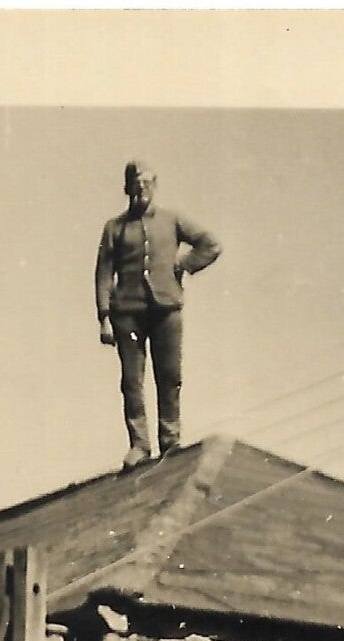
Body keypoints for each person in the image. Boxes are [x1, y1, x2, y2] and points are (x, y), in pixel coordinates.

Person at [94, 160, 221, 468]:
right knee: (132, 381)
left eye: (147, 184)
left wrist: (183, 265)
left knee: (169, 375)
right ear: (127, 189)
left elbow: (211, 244)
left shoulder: (172, 219)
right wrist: (104, 316)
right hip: (128, 312)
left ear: (155, 185)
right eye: (136, 185)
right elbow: (103, 273)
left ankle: (170, 439)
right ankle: (139, 444)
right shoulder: (115, 228)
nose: (142, 190)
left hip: (166, 307)